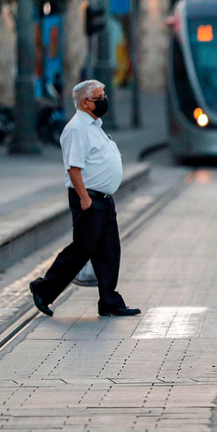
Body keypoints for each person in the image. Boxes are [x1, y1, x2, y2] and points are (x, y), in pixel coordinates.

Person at [29, 80, 140, 318]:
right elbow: (73, 168)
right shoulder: (77, 128)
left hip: (103, 199)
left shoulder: (93, 125)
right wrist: (84, 198)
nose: (104, 100)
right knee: (81, 250)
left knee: (110, 250)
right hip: (88, 199)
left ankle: (109, 301)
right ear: (84, 102)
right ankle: (43, 289)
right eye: (99, 97)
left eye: (103, 95)